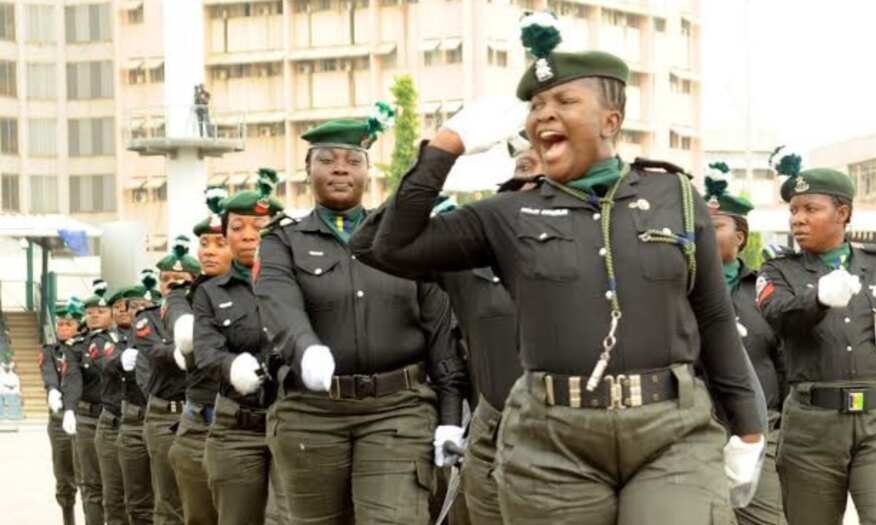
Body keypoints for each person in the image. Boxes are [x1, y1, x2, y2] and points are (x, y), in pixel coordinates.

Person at [354, 12, 766, 524]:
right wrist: (445, 147)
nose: (543, 115)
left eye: (564, 101)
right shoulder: (507, 213)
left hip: (671, 432)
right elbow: (390, 246)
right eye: (536, 105)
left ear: (610, 121)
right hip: (551, 440)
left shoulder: (674, 196)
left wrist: (748, 428)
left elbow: (715, 316)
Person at [253, 105, 467, 525]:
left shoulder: (403, 238)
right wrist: (305, 348)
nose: (340, 170)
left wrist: (449, 417)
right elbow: (279, 304)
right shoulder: (283, 242)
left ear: (368, 172)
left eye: (353, 161)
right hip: (311, 412)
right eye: (327, 160)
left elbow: (440, 330)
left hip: (398, 410)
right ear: (307, 170)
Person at [350, 132, 541, 525]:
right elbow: (368, 245)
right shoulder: (471, 258)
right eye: (519, 175)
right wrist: (431, 179)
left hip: (573, 432)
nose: (530, 188)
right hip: (496, 430)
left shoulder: (600, 248)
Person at [757, 154, 876, 525]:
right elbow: (777, 318)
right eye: (793, 210)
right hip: (811, 428)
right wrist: (817, 299)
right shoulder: (778, 269)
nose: (798, 218)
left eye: (811, 208)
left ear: (842, 212)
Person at [193, 168, 287, 525]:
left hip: (297, 422)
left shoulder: (302, 281)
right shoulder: (210, 293)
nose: (248, 235)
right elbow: (205, 352)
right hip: (237, 430)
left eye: (259, 226)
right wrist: (232, 366)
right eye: (237, 227)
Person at [703, 164, 787, 525]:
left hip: (758, 430)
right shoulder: (678, 289)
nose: (704, 233)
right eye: (700, 226)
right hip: (699, 427)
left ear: (740, 237)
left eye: (716, 226)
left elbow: (786, 362)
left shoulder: (765, 290)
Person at [168, 188, 232, 525]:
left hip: (243, 419)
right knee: (199, 516)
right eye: (204, 244)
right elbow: (175, 307)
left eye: (219, 243)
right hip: (199, 417)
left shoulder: (263, 287)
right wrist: (181, 325)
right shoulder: (190, 294)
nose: (208, 252)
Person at [140, 237, 203, 525]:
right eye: (166, 279)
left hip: (200, 412)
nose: (172, 284)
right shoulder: (149, 317)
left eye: (180, 279)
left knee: (203, 499)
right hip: (164, 416)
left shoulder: (206, 311)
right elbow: (151, 350)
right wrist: (181, 351)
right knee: (168, 500)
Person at [63, 287, 110, 525]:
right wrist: (69, 408)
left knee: (117, 486)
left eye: (100, 311)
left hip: (116, 418)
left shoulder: (120, 341)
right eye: (90, 312)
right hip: (89, 419)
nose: (94, 315)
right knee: (91, 484)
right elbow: (72, 379)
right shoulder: (77, 346)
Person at [117, 271, 161, 525]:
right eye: (135, 306)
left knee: (165, 498)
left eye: (147, 306)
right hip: (134, 420)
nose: (140, 311)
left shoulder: (163, 334)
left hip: (162, 417)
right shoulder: (122, 339)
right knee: (137, 500)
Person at [89, 285, 130, 525]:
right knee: (114, 496)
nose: (124, 311)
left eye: (130, 306)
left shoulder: (153, 334)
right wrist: (121, 359)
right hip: (113, 422)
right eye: (117, 307)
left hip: (143, 421)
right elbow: (103, 362)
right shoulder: (102, 339)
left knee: (146, 498)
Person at [40, 298, 84, 525]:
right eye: (61, 324)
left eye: (69, 324)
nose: (63, 328)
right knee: (63, 474)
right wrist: (52, 389)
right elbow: (48, 369)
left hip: (84, 417)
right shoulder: (50, 350)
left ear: (79, 325)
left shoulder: (86, 347)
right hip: (59, 421)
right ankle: (68, 519)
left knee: (90, 475)